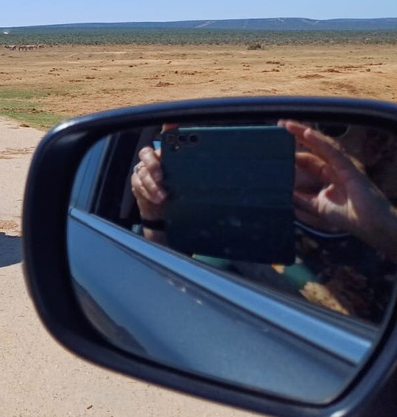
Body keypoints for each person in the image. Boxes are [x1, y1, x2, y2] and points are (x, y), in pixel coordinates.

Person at [130, 120, 397, 322]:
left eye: (331, 123)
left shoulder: (383, 224)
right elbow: (167, 315)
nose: (292, 131)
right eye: (273, 123)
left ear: (379, 144)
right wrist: (155, 218)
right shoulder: (239, 238)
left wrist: (383, 226)